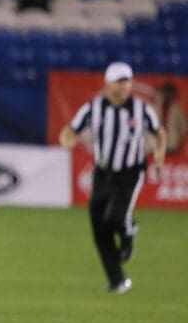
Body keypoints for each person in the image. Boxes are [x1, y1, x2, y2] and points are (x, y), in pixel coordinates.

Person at [59, 62, 166, 294]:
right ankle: (118, 281)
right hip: (103, 174)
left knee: (115, 216)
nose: (124, 86)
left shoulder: (142, 109)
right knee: (99, 228)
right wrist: (68, 141)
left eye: (127, 81)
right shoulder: (93, 108)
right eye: (119, 81)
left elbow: (159, 133)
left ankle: (127, 231)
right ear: (108, 83)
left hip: (130, 172)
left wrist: (158, 159)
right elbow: (69, 131)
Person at [155, 82, 186, 155]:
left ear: (173, 94)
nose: (167, 95)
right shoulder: (154, 107)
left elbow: (184, 127)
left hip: (172, 145)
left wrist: (177, 139)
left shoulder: (177, 109)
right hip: (156, 145)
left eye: (169, 93)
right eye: (165, 92)